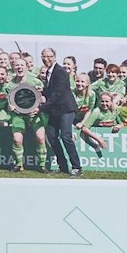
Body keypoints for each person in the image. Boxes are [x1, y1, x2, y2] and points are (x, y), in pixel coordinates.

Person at [38, 47, 82, 176]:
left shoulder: (60, 72)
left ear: (55, 57)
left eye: (49, 56)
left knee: (66, 136)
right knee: (51, 137)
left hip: (66, 109)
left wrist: (40, 108)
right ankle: (62, 166)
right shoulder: (48, 72)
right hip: (55, 110)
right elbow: (51, 92)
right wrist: (41, 91)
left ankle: (77, 167)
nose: (46, 59)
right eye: (44, 57)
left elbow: (57, 94)